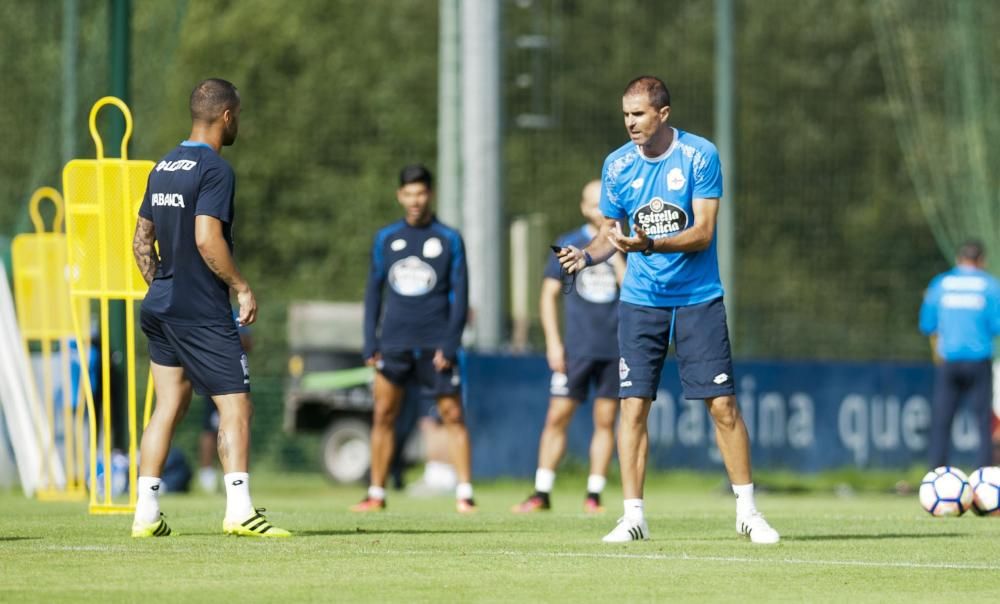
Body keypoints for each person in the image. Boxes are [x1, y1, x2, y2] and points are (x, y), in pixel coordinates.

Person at [558, 76, 780, 544]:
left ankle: (747, 511)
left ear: (663, 113)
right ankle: (632, 517)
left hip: (699, 298)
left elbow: (702, 232)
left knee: (722, 405)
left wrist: (649, 243)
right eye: (625, 115)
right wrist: (586, 255)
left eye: (638, 114)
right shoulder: (616, 165)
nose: (630, 123)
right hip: (641, 302)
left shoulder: (700, 155)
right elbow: (609, 234)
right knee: (633, 406)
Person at [130, 78, 289, 538]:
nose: (238, 121)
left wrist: (163, 286)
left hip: (159, 304)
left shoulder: (162, 165)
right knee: (237, 407)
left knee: (168, 405)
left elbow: (142, 239)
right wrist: (241, 286)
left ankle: (145, 514)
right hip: (200, 311)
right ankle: (240, 510)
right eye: (237, 115)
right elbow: (206, 237)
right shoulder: (215, 169)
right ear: (225, 116)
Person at [353, 164, 475, 513]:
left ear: (430, 194)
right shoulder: (386, 238)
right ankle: (376, 492)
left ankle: (465, 493)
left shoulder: (449, 238)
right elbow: (374, 293)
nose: (415, 200)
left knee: (452, 414)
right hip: (394, 342)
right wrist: (369, 341)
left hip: (436, 343)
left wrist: (450, 343)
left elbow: (462, 295)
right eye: (408, 194)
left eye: (420, 193)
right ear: (399, 196)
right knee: (384, 414)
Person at [513, 180, 624, 514]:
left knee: (606, 420)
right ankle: (541, 492)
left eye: (605, 203)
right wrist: (553, 342)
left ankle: (594, 494)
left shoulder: (626, 243)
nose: (599, 209)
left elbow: (629, 286)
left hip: (613, 348)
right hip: (575, 348)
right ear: (582, 206)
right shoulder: (568, 243)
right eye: (593, 203)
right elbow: (548, 295)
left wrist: (616, 245)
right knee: (557, 415)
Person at [919, 240, 1000, 470]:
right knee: (983, 421)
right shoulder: (990, 286)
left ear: (958, 259)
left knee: (942, 419)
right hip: (979, 360)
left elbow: (927, 324)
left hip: (949, 360)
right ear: (981, 261)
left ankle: (936, 473)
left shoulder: (940, 284)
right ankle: (986, 474)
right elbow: (997, 325)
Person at [196, 312, 252, 493]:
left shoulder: (235, 314)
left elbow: (248, 343)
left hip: (234, 375)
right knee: (211, 428)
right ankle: (207, 473)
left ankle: (233, 475)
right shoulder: (204, 312)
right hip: (215, 375)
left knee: (238, 422)